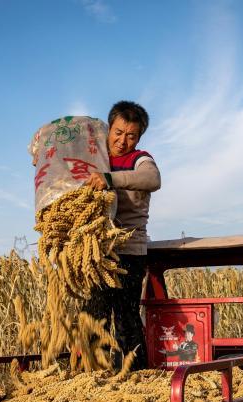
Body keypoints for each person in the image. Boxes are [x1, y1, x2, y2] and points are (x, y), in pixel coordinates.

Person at [84, 100, 161, 370]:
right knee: (94, 317)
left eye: (131, 136)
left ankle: (138, 378)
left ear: (138, 138)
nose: (122, 141)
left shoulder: (140, 159)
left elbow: (152, 180)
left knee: (126, 318)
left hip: (128, 251)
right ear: (109, 129)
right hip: (96, 253)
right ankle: (94, 378)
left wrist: (110, 179)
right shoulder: (96, 157)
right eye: (118, 132)